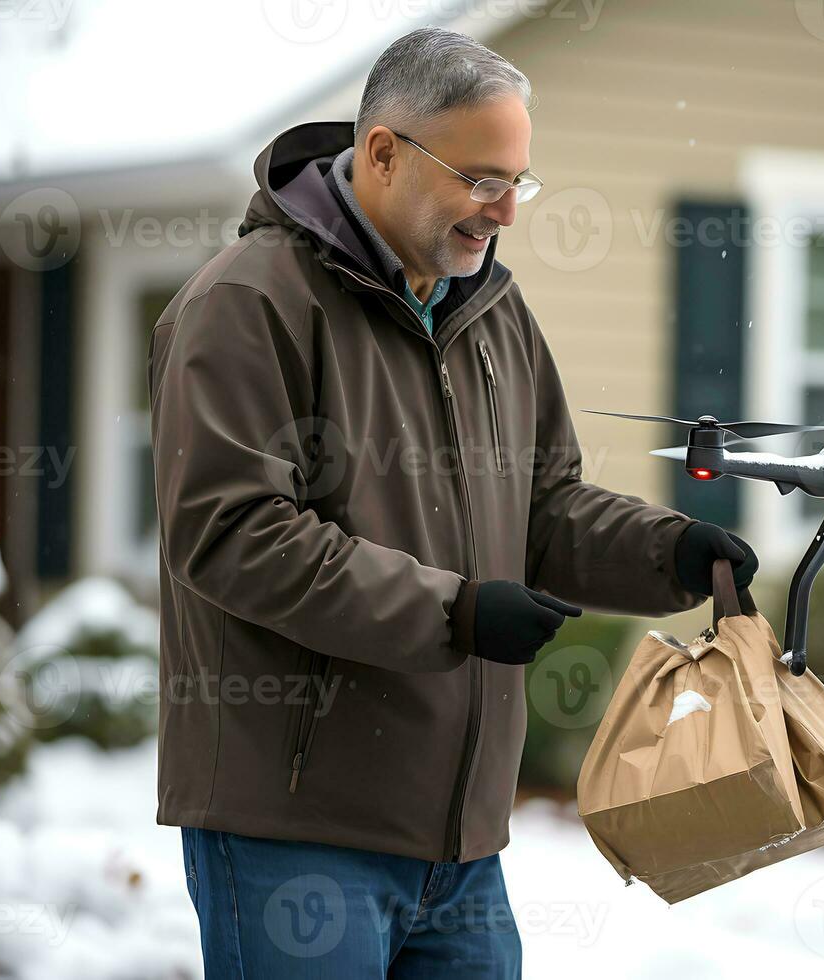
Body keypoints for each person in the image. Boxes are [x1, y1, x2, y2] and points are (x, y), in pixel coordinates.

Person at [147, 26, 757, 979]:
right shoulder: (247, 304)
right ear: (384, 152)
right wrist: (454, 611)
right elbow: (231, 534)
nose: (507, 209)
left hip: (464, 847)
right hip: (295, 833)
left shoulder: (489, 311)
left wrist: (670, 551)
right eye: (482, 179)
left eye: (519, 180)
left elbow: (543, 505)